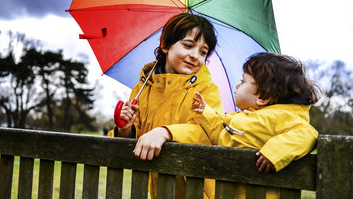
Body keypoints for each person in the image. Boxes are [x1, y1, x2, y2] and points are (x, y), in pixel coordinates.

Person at [110, 13, 224, 199]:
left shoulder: (207, 90)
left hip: (198, 191)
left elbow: (211, 133)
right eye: (188, 45)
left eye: (203, 52)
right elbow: (136, 140)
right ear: (165, 45)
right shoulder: (142, 89)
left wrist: (165, 132)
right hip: (159, 190)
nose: (195, 56)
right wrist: (125, 129)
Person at [191, 52, 319, 198]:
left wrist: (275, 152)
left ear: (262, 97)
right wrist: (206, 113)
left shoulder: (281, 117)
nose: (238, 85)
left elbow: (308, 133)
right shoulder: (241, 117)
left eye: (243, 81)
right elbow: (222, 133)